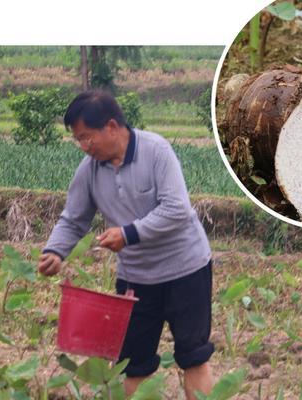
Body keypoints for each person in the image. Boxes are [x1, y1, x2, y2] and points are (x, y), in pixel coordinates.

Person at [38, 90, 214, 399]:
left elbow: (176, 209)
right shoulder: (90, 170)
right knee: (134, 364)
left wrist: (128, 234)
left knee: (193, 355)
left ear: (111, 127)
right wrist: (55, 251)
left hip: (186, 270)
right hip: (136, 279)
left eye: (86, 137)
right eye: (78, 140)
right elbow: (73, 218)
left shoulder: (156, 151)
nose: (83, 147)